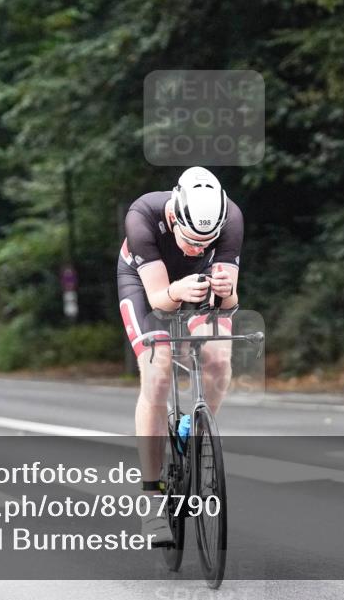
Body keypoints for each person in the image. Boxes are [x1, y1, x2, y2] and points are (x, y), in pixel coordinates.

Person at [116, 167, 242, 544]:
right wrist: (178, 290)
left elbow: (229, 305)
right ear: (174, 217)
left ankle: (199, 434)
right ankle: (151, 497)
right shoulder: (143, 217)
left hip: (196, 283)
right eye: (190, 240)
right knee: (157, 375)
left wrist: (226, 291)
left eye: (208, 241)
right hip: (145, 284)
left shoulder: (231, 217)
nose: (198, 249)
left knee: (219, 359)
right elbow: (158, 300)